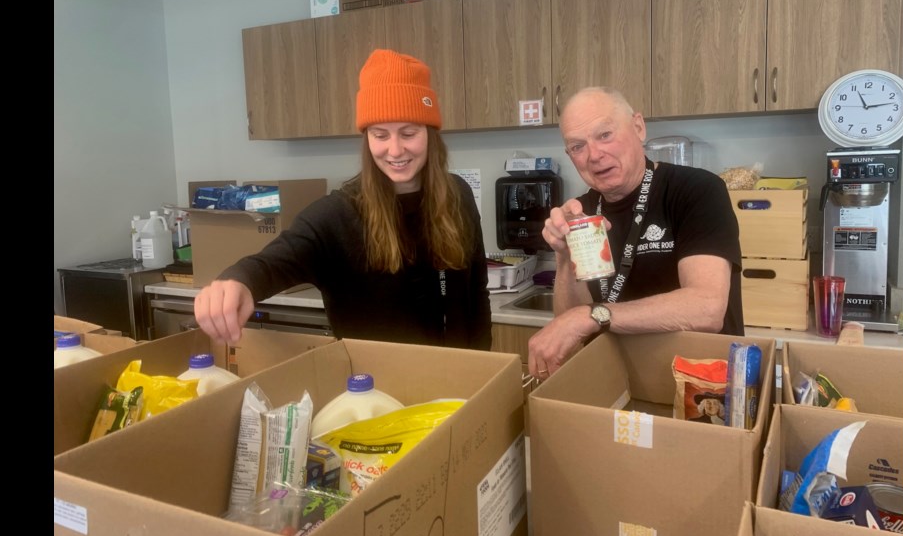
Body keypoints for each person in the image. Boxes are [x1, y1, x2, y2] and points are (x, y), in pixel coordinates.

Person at [194, 49, 492, 350]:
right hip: (376, 391)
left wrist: (485, 367)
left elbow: (477, 293)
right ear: (367, 139)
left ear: (430, 133)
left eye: (408, 132)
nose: (396, 149)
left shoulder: (458, 196)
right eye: (380, 135)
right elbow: (273, 263)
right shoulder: (336, 215)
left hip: (462, 382)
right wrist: (238, 281)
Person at [527, 86, 744, 378]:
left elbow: (706, 308)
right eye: (578, 146)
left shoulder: (698, 190)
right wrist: (565, 257)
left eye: (605, 135)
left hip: (700, 383)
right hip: (622, 380)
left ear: (638, 128)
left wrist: (593, 315)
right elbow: (570, 327)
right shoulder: (583, 213)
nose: (594, 155)